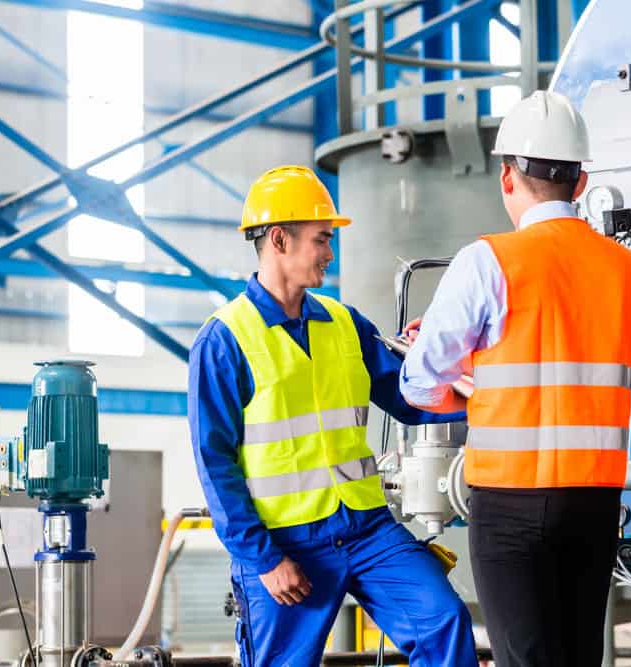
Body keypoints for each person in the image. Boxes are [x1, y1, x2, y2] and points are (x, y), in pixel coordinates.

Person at [188, 165, 478, 667]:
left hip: (367, 530)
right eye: (322, 239)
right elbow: (216, 466)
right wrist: (265, 559)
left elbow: (413, 401)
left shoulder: (344, 322)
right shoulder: (224, 340)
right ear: (279, 240)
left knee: (443, 620)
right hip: (286, 545)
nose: (330, 252)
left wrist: (456, 359)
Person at [399, 92, 631, 666]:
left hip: (510, 502)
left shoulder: (486, 260)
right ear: (580, 183)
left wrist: (459, 366)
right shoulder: (628, 271)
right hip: (593, 501)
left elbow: (418, 385)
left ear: (507, 176)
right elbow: (566, 358)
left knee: (525, 658)